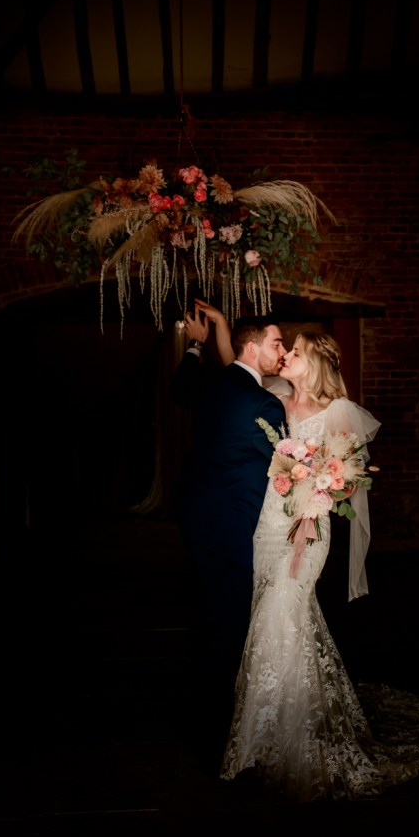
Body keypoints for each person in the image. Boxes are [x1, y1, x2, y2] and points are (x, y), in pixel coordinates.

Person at [220, 331, 419, 801]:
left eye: (293, 351)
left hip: (309, 531)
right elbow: (236, 367)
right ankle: (264, 738)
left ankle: (298, 741)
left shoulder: (338, 412)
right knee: (267, 620)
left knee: (282, 615)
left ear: (312, 361)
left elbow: (346, 480)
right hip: (269, 526)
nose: (286, 356)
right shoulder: (273, 397)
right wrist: (215, 328)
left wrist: (313, 514)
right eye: (284, 349)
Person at [169, 307, 288, 771]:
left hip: (196, 516)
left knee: (212, 608)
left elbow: (180, 390)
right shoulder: (265, 403)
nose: (282, 351)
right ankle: (223, 730)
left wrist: (197, 345)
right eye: (277, 343)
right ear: (252, 348)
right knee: (232, 621)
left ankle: (205, 706)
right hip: (235, 523)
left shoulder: (214, 381)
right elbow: (287, 467)